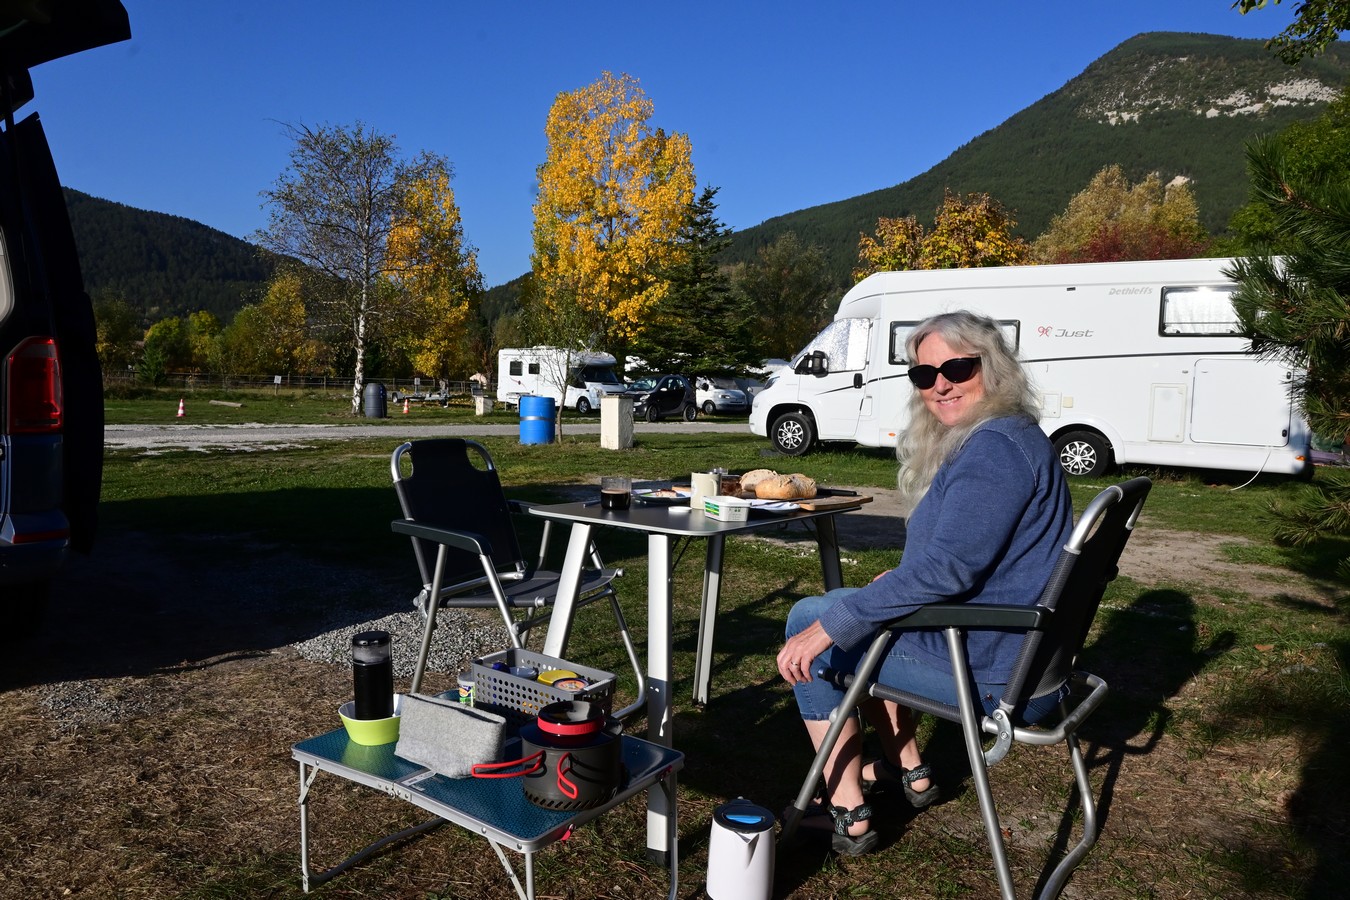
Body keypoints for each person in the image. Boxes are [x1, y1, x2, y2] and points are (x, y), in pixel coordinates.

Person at [776, 310, 1074, 855]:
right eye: (924, 374)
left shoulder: (995, 449)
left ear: (992, 367)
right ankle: (909, 771)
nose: (941, 384)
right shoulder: (1013, 435)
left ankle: (848, 811)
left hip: (993, 673)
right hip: (1013, 650)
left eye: (958, 368)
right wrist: (893, 586)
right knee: (853, 605)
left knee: (812, 621)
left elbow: (948, 570)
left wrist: (837, 624)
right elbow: (968, 557)